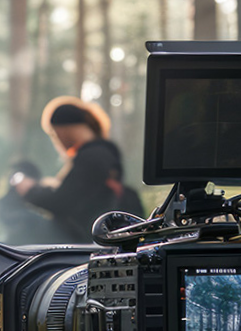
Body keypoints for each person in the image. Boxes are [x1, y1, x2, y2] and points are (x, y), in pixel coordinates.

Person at [13, 96, 144, 242]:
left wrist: (30, 191)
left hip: (85, 246)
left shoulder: (92, 157)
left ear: (63, 130)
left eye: (54, 133)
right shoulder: (102, 154)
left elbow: (63, 202)